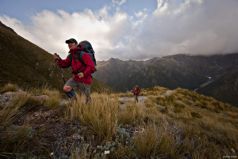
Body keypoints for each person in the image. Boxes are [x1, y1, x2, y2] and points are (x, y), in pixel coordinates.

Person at [54, 38, 95, 104]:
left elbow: (92, 67)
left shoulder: (83, 54)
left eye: (71, 43)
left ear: (76, 44)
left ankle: (89, 108)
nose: (69, 44)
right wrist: (58, 60)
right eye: (68, 44)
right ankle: (75, 102)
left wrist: (84, 73)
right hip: (75, 78)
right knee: (66, 88)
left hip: (85, 79)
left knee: (86, 101)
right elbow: (65, 64)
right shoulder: (71, 56)